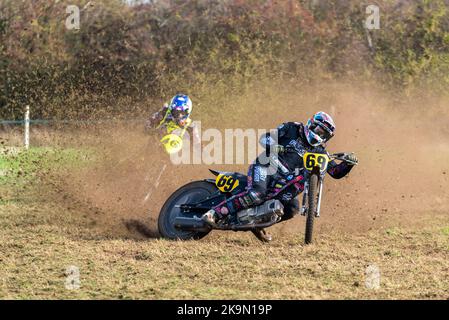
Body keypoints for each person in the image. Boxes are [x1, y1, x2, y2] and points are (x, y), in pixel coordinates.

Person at [201, 111, 358, 229]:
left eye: (324, 134)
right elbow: (265, 138)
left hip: (286, 182)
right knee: (256, 194)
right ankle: (214, 213)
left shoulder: (320, 153)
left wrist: (348, 164)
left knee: (292, 208)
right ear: (312, 124)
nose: (320, 135)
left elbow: (335, 172)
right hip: (267, 166)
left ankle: (257, 225)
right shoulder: (292, 128)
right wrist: (275, 145)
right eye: (319, 130)